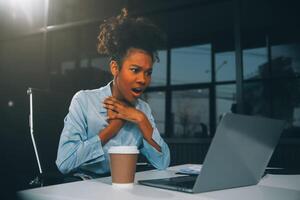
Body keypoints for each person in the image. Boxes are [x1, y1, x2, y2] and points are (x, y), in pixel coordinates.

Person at [56, 8, 170, 176]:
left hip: (125, 188)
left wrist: (140, 119)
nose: (143, 79)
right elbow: (64, 163)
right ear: (115, 68)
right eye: (135, 70)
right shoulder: (84, 101)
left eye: (148, 72)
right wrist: (111, 130)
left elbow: (163, 164)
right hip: (85, 188)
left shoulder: (143, 109)